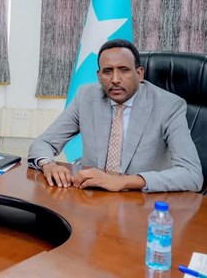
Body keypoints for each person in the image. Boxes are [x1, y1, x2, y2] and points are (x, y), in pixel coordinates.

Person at [28, 39, 202, 193]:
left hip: (142, 200)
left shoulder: (168, 105)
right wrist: (48, 164)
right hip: (93, 196)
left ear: (139, 74)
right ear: (99, 76)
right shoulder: (86, 97)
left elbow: (192, 174)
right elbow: (44, 143)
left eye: (124, 70)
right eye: (108, 71)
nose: (115, 79)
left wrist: (122, 181)